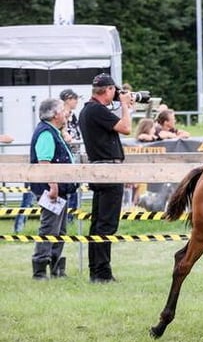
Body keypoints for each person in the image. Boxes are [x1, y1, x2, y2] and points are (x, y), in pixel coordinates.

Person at [78, 73, 134, 283]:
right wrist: (125, 106)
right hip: (108, 171)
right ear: (108, 90)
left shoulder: (89, 110)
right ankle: (102, 273)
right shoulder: (96, 110)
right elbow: (126, 128)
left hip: (100, 170)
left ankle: (97, 271)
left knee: (98, 223)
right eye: (114, 90)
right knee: (106, 225)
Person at [29, 98, 78, 279]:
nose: (66, 114)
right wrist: (54, 186)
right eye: (63, 110)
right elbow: (44, 162)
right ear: (55, 114)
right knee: (49, 229)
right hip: (51, 190)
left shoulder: (53, 131)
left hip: (58, 189)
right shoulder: (46, 133)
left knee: (59, 231)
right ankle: (40, 270)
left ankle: (56, 267)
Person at [60, 89, 83, 222]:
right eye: (75, 99)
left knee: (74, 184)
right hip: (66, 153)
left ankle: (70, 217)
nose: (76, 102)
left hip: (74, 151)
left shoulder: (73, 115)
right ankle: (67, 217)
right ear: (68, 99)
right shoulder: (61, 114)